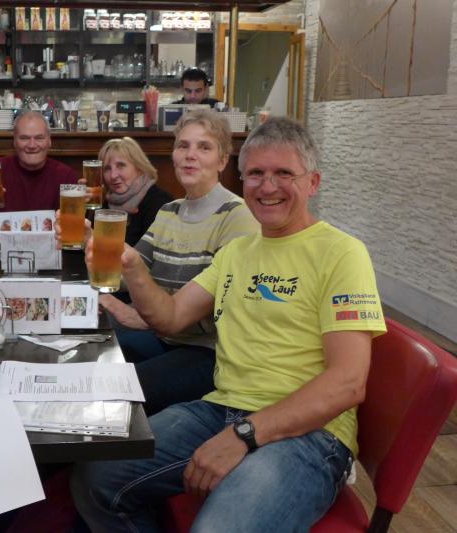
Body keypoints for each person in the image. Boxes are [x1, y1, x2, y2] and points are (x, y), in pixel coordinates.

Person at [72, 117, 387, 532]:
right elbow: (170, 317)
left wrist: (244, 434)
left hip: (312, 434)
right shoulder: (237, 252)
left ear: (313, 182)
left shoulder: (343, 252)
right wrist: (131, 266)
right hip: (220, 409)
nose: (267, 186)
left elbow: (348, 382)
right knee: (95, 476)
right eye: (255, 174)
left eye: (284, 173)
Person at [101, 110, 258, 414]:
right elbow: (128, 273)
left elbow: (213, 312)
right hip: (166, 338)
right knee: (95, 354)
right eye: (183, 146)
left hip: (211, 353)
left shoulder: (238, 215)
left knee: (118, 390)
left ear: (223, 161)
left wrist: (137, 315)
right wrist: (89, 242)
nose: (190, 155)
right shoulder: (170, 210)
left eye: (204, 147)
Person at [0, 111, 78, 218]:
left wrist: (86, 202)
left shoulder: (66, 175)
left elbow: (79, 220)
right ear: (14, 141)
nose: (32, 145)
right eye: (24, 138)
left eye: (39, 138)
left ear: (49, 141)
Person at [97, 137, 173, 246]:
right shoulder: (103, 203)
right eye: (107, 169)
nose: (113, 176)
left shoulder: (160, 203)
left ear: (139, 167)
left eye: (121, 166)